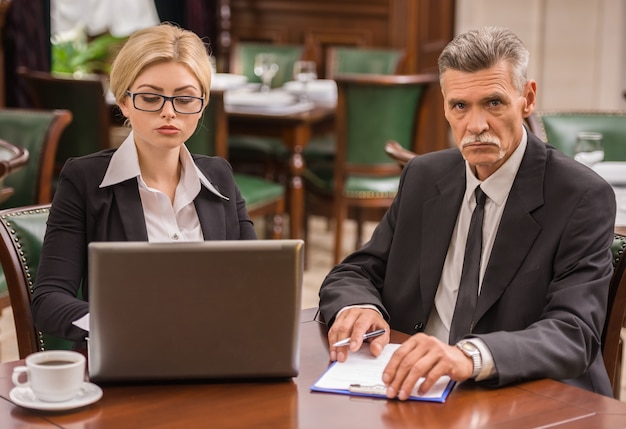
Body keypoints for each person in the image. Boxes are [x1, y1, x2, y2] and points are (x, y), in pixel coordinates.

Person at [318, 26, 617, 399]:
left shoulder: (581, 196)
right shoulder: (424, 176)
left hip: (526, 395)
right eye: (460, 106)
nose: (475, 126)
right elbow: (356, 271)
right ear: (445, 105)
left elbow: (574, 332)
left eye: (493, 103)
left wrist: (469, 356)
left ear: (527, 98)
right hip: (414, 390)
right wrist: (359, 306)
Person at [31, 23, 256, 347]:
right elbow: (49, 301)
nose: (169, 112)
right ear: (124, 102)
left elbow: (257, 282)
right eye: (150, 98)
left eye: (185, 98)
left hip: (216, 352)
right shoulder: (83, 179)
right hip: (128, 359)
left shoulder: (219, 176)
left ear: (203, 104)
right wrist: (116, 325)